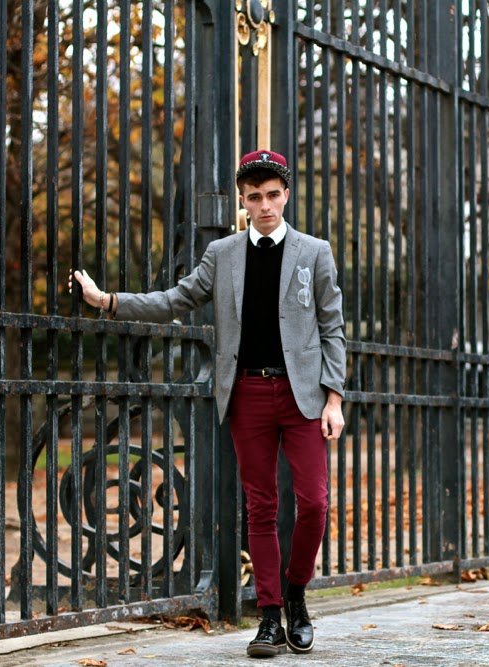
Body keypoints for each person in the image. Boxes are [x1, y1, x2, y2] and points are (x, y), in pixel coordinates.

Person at [70, 149, 346, 658]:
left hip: (304, 395)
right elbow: (175, 299)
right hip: (247, 394)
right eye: (254, 198)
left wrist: (334, 398)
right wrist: (108, 301)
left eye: (273, 195)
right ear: (243, 201)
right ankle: (269, 616)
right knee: (260, 506)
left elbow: (332, 327)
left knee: (314, 503)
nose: (265, 205)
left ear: (286, 195)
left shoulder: (314, 252)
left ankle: (296, 593)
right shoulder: (223, 254)